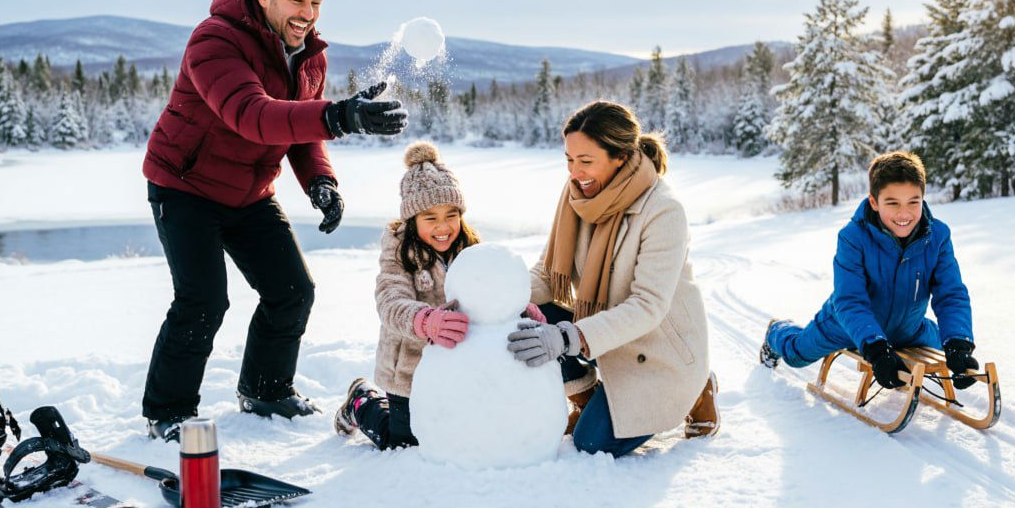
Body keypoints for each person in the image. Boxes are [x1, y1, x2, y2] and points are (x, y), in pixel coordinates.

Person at [139, 0, 409, 441]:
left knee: (292, 292)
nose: (307, 14)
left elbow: (299, 133)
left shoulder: (309, 57)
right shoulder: (213, 41)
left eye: (317, 3)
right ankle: (168, 411)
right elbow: (253, 114)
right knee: (202, 300)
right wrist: (338, 116)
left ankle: (265, 389)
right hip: (185, 185)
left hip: (248, 190)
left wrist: (321, 182)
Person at [506, 100, 717, 458]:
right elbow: (548, 273)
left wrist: (567, 336)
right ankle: (587, 396)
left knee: (591, 444)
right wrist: (499, 297)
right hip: (605, 336)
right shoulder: (578, 194)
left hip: (656, 353)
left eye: (586, 161)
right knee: (528, 310)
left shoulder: (663, 210)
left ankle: (698, 387)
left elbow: (647, 306)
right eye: (569, 160)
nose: (575, 172)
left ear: (620, 156)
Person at [333, 141, 507, 449]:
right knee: (404, 442)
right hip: (409, 370)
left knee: (459, 428)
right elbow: (390, 300)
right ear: (412, 219)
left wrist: (517, 308)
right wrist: (425, 320)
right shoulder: (399, 250)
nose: (443, 227)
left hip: (456, 363)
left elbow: (494, 287)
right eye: (431, 218)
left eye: (451, 215)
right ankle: (361, 402)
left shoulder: (471, 246)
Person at [759, 151, 979, 391]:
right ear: (874, 202)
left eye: (913, 202)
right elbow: (850, 300)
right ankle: (777, 332)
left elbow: (951, 294)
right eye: (892, 203)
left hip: (909, 328)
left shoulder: (937, 236)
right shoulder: (853, 238)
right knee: (797, 354)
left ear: (923, 199)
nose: (904, 213)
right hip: (847, 326)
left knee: (952, 346)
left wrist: (958, 344)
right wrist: (876, 349)